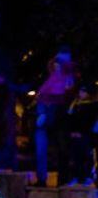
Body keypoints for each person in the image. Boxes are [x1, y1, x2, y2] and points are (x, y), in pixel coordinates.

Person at [34, 50, 80, 186]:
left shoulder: (70, 79)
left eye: (62, 62)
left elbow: (70, 95)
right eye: (57, 62)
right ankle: (42, 179)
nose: (58, 65)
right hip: (45, 115)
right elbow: (40, 95)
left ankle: (63, 179)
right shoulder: (48, 78)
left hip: (59, 116)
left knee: (62, 149)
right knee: (41, 149)